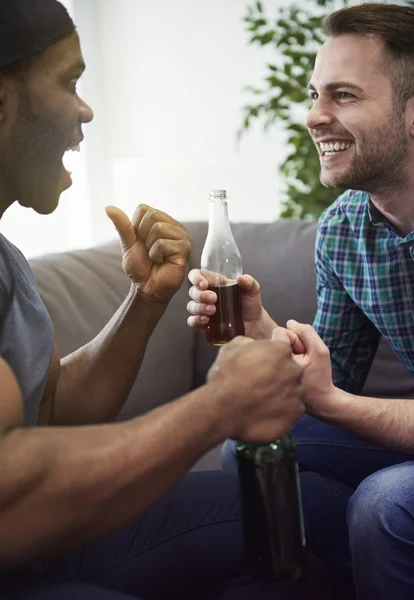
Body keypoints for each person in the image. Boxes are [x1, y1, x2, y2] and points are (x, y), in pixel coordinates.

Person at [0, 2, 307, 599]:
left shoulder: (7, 260)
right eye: (69, 82)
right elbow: (10, 498)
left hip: (39, 545)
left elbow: (54, 410)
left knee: (295, 509)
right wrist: (219, 407)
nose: (86, 109)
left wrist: (145, 299)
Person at [187, 3, 414, 599]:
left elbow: (331, 399)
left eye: (343, 95)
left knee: (384, 503)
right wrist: (260, 327)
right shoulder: (344, 229)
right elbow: (330, 371)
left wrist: (334, 404)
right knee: (253, 442)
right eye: (316, 94)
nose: (314, 116)